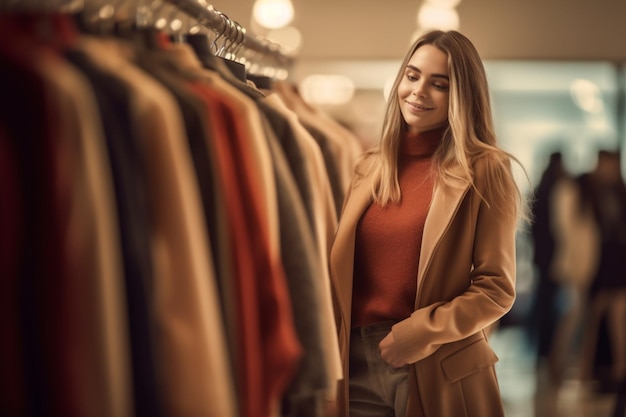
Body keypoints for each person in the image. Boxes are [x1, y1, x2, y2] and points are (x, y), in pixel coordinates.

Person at [329, 29, 528, 417]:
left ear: (462, 97)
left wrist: (422, 332)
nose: (419, 91)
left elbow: (496, 289)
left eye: (440, 84)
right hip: (354, 363)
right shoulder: (368, 166)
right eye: (413, 75)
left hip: (435, 361)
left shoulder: (486, 168)